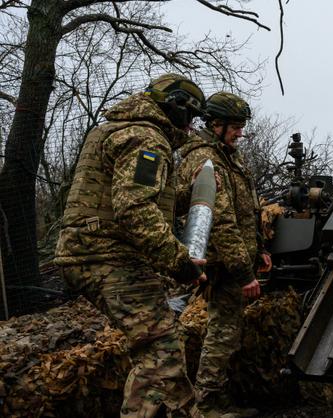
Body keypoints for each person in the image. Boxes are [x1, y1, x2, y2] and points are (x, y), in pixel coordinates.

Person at [55, 73, 208, 417]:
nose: (191, 126)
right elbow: (133, 209)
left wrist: (188, 195)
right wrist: (179, 261)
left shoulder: (117, 129)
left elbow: (131, 199)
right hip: (108, 256)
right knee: (161, 350)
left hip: (91, 252)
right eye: (191, 116)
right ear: (178, 107)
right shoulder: (146, 138)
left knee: (162, 342)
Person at [176, 91, 271, 416]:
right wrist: (245, 273)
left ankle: (217, 400)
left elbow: (247, 211)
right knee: (222, 335)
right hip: (225, 265)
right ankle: (206, 405)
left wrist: (259, 251)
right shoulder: (206, 158)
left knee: (228, 333)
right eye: (236, 126)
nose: (240, 132)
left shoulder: (227, 156)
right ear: (216, 124)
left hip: (237, 259)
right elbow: (220, 220)